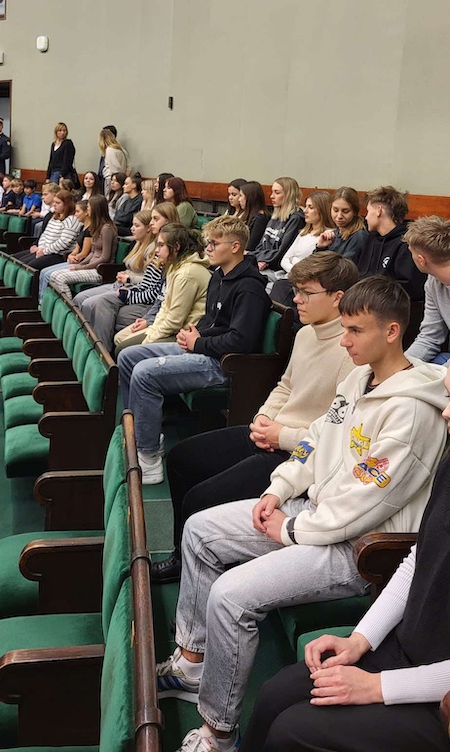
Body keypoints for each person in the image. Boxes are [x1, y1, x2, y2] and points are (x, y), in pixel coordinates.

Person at [156, 276, 448, 752]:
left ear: (392, 331)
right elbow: (314, 441)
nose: (344, 341)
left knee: (231, 596)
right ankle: (192, 662)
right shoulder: (357, 378)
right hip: (314, 512)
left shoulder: (413, 412)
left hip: (359, 546)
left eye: (355, 331)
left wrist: (292, 529)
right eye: (344, 329)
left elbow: (368, 501)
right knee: (199, 530)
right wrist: (280, 489)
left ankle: (218, 731)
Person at [241, 364, 450, 752]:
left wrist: (377, 686)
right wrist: (359, 639)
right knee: (274, 695)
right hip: (403, 648)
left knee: (292, 730)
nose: (446, 411)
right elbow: (418, 561)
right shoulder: (449, 470)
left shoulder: (412, 414)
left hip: (440, 701)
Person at [151, 251, 358, 584]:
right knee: (181, 458)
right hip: (271, 434)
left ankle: (206, 566)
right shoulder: (306, 333)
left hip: (299, 453)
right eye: (296, 290)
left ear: (338, 297)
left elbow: (336, 433)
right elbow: (286, 385)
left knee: (201, 498)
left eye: (307, 293)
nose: (296, 299)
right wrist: (263, 418)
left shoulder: (352, 351)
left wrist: (281, 435)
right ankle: (182, 556)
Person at [118, 215, 271, 484]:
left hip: (225, 365)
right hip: (206, 350)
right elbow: (213, 322)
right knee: (128, 357)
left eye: (214, 243)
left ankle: (149, 457)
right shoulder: (219, 276)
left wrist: (198, 342)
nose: (208, 248)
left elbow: (241, 341)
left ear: (235, 247)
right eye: (207, 242)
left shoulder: (249, 288)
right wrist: (194, 334)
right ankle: (138, 434)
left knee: (144, 373)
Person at [73, 203, 179, 351]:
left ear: (168, 221)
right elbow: (147, 285)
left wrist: (128, 292)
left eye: (155, 219)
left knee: (97, 304)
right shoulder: (154, 250)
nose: (151, 223)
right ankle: (87, 347)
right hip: (134, 290)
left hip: (143, 298)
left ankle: (102, 352)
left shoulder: (163, 253)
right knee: (83, 299)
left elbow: (156, 294)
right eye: (151, 219)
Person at [114, 221, 211, 356]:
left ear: (176, 247)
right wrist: (152, 329)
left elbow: (174, 322)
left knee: (124, 350)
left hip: (182, 334)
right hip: (170, 328)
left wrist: (148, 341)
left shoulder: (186, 274)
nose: (156, 250)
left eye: (161, 245)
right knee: (120, 338)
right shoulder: (174, 266)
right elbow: (165, 307)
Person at [357, 186, 425, 301]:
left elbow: (408, 289)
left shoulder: (406, 244)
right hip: (362, 300)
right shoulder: (370, 238)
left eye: (368, 211)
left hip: (385, 305)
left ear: (379, 211)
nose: (366, 217)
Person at [48, 194, 117, 300]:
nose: (87, 210)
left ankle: (69, 307)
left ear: (95, 209)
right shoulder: (97, 227)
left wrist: (82, 267)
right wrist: (80, 264)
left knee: (61, 278)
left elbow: (105, 257)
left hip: (100, 270)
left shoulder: (107, 228)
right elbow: (93, 252)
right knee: (53, 275)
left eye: (89, 207)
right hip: (91, 266)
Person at [404, 216, 450, 364]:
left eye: (410, 252)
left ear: (421, 260)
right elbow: (430, 337)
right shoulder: (433, 282)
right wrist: (402, 367)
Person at [248, 177, 305, 283]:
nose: (271, 196)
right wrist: (255, 258)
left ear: (289, 195)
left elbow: (282, 251)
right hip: (263, 262)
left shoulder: (296, 219)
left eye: (277, 192)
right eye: (272, 192)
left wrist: (264, 260)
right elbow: (261, 245)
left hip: (277, 269)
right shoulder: (275, 216)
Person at [38, 199, 92, 300]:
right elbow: (76, 249)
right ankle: (43, 301)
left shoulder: (90, 230)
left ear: (86, 213)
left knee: (49, 275)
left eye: (78, 211)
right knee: (44, 272)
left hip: (81, 262)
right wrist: (71, 255)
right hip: (73, 259)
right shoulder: (82, 227)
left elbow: (84, 253)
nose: (75, 215)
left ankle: (49, 303)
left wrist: (74, 257)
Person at [15, 190, 81, 272]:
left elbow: (63, 242)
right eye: (54, 202)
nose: (54, 205)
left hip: (58, 254)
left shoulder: (72, 219)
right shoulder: (54, 216)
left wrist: (45, 251)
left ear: (67, 204)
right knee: (16, 260)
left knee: (28, 266)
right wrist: (41, 247)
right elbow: (45, 234)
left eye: (58, 203)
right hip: (45, 250)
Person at [315, 186, 369, 264]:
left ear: (354, 212)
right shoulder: (334, 233)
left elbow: (344, 268)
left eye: (345, 211)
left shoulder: (359, 236)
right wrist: (321, 248)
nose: (339, 216)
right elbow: (314, 264)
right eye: (335, 210)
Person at [238, 181, 270, 251]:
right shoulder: (247, 214)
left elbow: (251, 246)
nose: (239, 200)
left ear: (250, 197)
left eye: (241, 196)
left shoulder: (261, 219)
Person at [98, 127, 130, 198]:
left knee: (109, 198)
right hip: (120, 178)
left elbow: (115, 169)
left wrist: (114, 180)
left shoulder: (109, 150)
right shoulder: (121, 149)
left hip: (111, 179)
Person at [97, 124, 117, 189]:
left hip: (109, 179)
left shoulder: (111, 150)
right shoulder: (105, 150)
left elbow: (115, 169)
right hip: (102, 178)